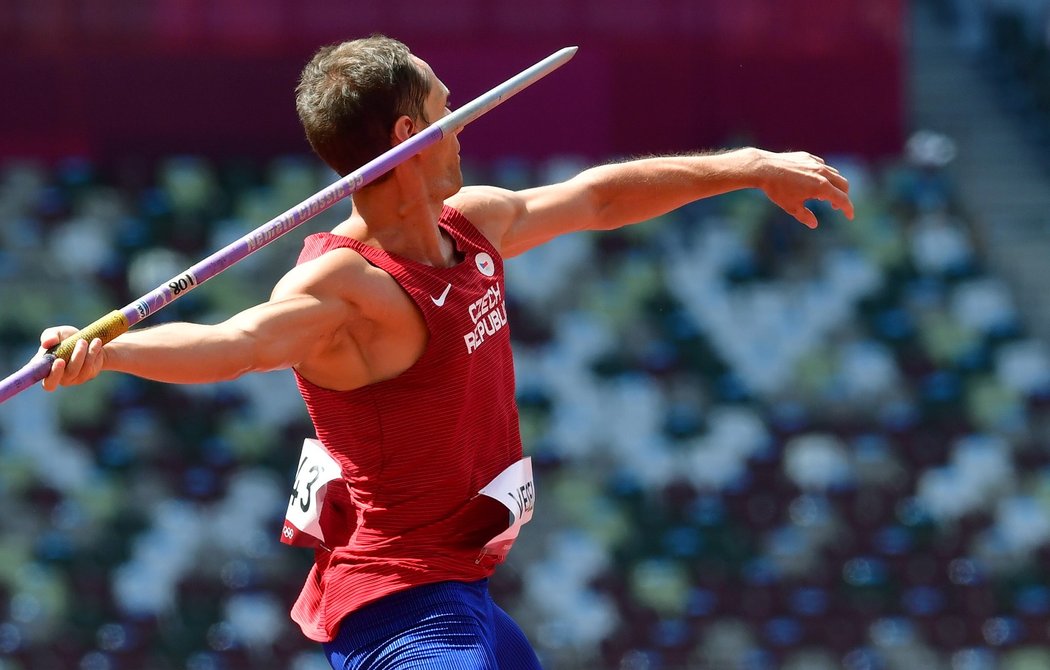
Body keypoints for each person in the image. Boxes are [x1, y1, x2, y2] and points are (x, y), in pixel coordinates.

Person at [39, 35, 854, 670]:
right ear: (410, 133)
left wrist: (748, 167)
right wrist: (109, 353)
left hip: (463, 593)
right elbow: (236, 344)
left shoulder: (474, 222)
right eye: (447, 107)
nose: (463, 119)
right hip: (400, 608)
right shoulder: (343, 289)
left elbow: (599, 197)